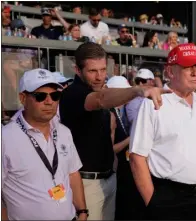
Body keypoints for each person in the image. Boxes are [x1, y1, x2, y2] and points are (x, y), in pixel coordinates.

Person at [59, 42, 171, 220]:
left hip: (108, 180)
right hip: (86, 184)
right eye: (92, 71)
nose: (99, 76)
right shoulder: (73, 93)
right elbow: (101, 99)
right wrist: (137, 90)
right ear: (77, 70)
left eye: (103, 70)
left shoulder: (102, 90)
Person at [129, 43, 196, 219]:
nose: (195, 73)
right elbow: (137, 157)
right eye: (187, 67)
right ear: (170, 71)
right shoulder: (152, 103)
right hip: (171, 198)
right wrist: (153, 202)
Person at [1, 68, 87, 220]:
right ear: (23, 98)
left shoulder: (64, 132)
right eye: (40, 96)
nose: (49, 102)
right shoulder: (5, 138)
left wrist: (82, 212)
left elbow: (73, 173)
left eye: (55, 96)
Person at [106, 76, 145, 220]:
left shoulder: (119, 111)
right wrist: (131, 138)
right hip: (117, 174)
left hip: (123, 171)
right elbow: (110, 149)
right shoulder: (109, 113)